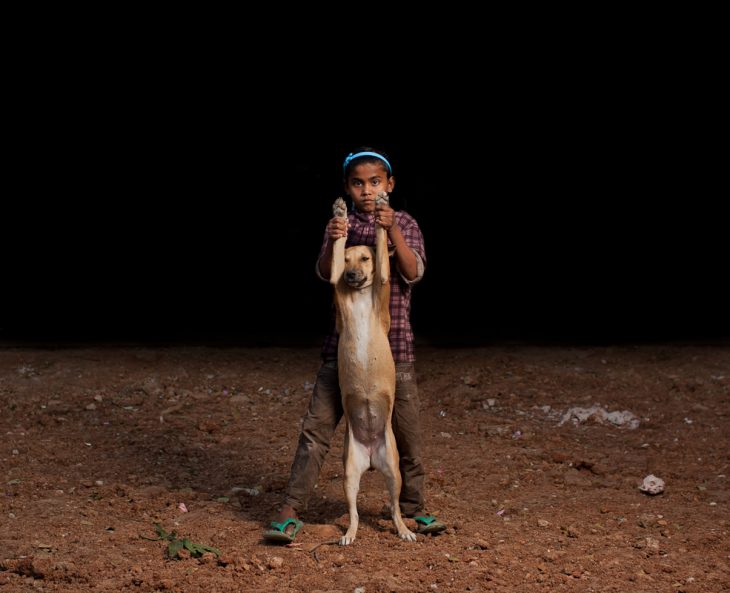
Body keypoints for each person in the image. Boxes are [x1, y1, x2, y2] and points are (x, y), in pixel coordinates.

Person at [263, 147, 445, 542]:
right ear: (347, 187)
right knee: (316, 431)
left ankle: (413, 510)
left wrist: (392, 227)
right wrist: (334, 240)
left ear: (390, 185)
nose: (367, 190)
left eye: (375, 182)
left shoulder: (406, 223)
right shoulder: (340, 229)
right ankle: (290, 509)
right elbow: (327, 271)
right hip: (341, 350)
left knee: (407, 433)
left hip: (393, 350)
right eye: (358, 183)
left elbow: (413, 272)